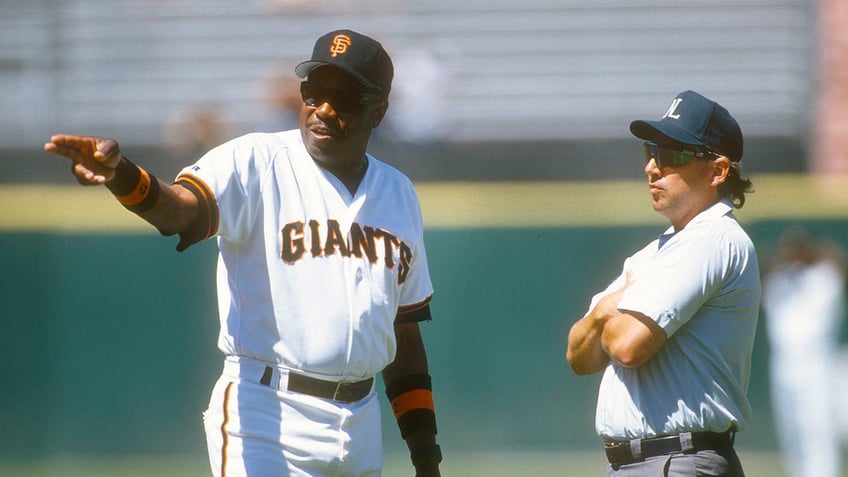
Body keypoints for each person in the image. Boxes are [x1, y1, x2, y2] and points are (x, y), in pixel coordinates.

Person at [44, 29, 442, 477]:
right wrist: (122, 176)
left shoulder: (399, 193)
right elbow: (179, 211)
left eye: (346, 97)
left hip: (362, 425)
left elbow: (404, 335)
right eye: (313, 92)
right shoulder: (256, 159)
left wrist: (425, 453)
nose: (323, 109)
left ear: (379, 111)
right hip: (267, 413)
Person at [566, 90, 760, 476]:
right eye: (651, 152)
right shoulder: (654, 252)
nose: (652, 168)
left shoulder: (713, 238)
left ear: (718, 170)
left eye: (672, 155)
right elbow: (578, 355)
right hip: (648, 462)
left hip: (680, 460)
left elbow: (625, 346)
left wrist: (606, 315)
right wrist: (608, 311)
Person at [762, 226, 846, 477]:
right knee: (791, 430)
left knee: (818, 430)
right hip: (784, 365)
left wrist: (814, 256)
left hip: (816, 364)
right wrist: (782, 263)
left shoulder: (824, 277)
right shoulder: (781, 280)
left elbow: (838, 262)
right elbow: (765, 287)